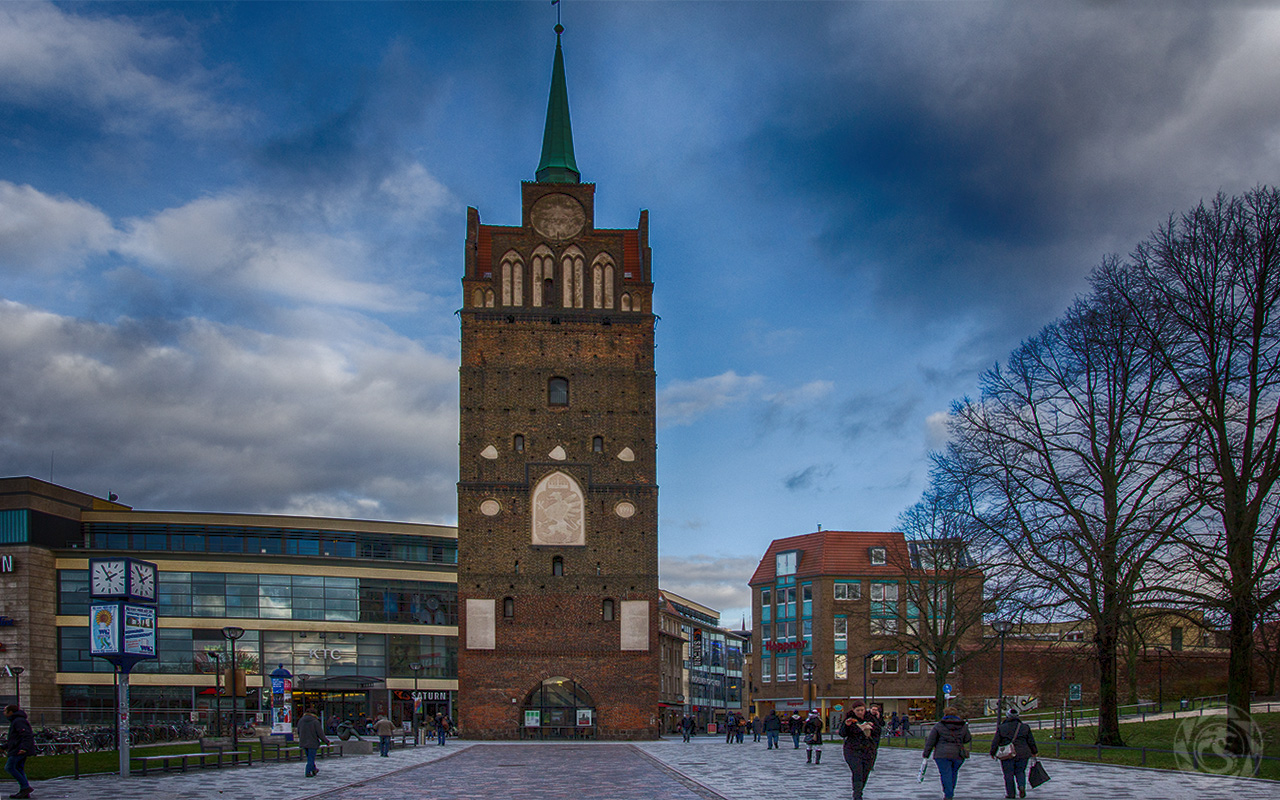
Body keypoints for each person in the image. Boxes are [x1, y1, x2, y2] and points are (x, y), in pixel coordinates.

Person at [922, 706, 973, 800]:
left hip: (942, 754)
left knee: (945, 774)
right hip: (958, 754)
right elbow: (967, 739)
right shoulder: (962, 725)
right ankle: (950, 791)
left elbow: (931, 741)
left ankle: (948, 794)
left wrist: (926, 754)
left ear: (945, 714)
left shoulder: (939, 726)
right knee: (953, 773)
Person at [989, 707, 1038, 799]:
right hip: (1023, 753)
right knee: (1020, 771)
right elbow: (1031, 741)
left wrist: (992, 752)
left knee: (1008, 774)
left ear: (1007, 716)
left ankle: (1010, 794)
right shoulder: (1024, 727)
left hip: (1007, 754)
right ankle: (1021, 786)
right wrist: (1034, 751)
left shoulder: (1002, 727)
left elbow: (996, 741)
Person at [838, 700, 877, 800]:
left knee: (865, 772)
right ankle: (857, 795)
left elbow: (878, 731)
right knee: (857, 771)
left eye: (862, 710)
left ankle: (859, 791)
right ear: (853, 710)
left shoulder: (870, 718)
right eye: (858, 710)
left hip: (868, 751)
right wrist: (847, 725)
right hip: (852, 750)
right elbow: (842, 733)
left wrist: (870, 727)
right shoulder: (850, 720)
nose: (860, 712)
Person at [4, 705, 35, 799]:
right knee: (19, 768)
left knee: (9, 767)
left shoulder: (18, 721)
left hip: (18, 750)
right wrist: (4, 747)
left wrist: (24, 748)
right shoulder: (16, 721)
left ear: (10, 712)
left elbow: (26, 735)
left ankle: (25, 787)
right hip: (18, 748)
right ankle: (24, 791)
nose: (3, 713)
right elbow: (14, 739)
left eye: (5, 711)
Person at [297, 705, 330, 779]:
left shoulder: (301, 720)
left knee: (309, 757)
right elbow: (320, 733)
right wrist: (326, 741)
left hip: (303, 742)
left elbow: (298, 731)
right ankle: (308, 772)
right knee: (311, 758)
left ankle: (314, 769)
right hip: (312, 742)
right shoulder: (315, 721)